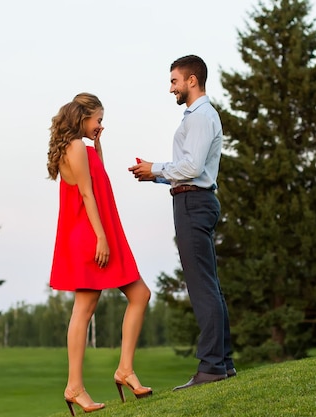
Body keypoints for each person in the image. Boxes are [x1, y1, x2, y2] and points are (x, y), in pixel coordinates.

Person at [128, 55, 236, 390]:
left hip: (193, 202)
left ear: (192, 80)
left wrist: (157, 168)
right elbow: (189, 169)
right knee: (208, 284)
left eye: (174, 81)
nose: (171, 87)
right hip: (192, 199)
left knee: (202, 286)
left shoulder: (201, 116)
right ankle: (223, 363)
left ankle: (212, 367)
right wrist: (155, 176)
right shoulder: (197, 117)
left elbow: (191, 168)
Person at [47, 93, 153, 415]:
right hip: (92, 236)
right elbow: (87, 194)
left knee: (139, 294)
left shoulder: (80, 146)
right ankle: (75, 386)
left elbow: (98, 178)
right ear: (84, 116)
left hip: (99, 232)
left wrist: (99, 145)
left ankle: (124, 370)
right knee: (85, 307)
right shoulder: (76, 147)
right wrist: (102, 239)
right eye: (98, 119)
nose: (101, 125)